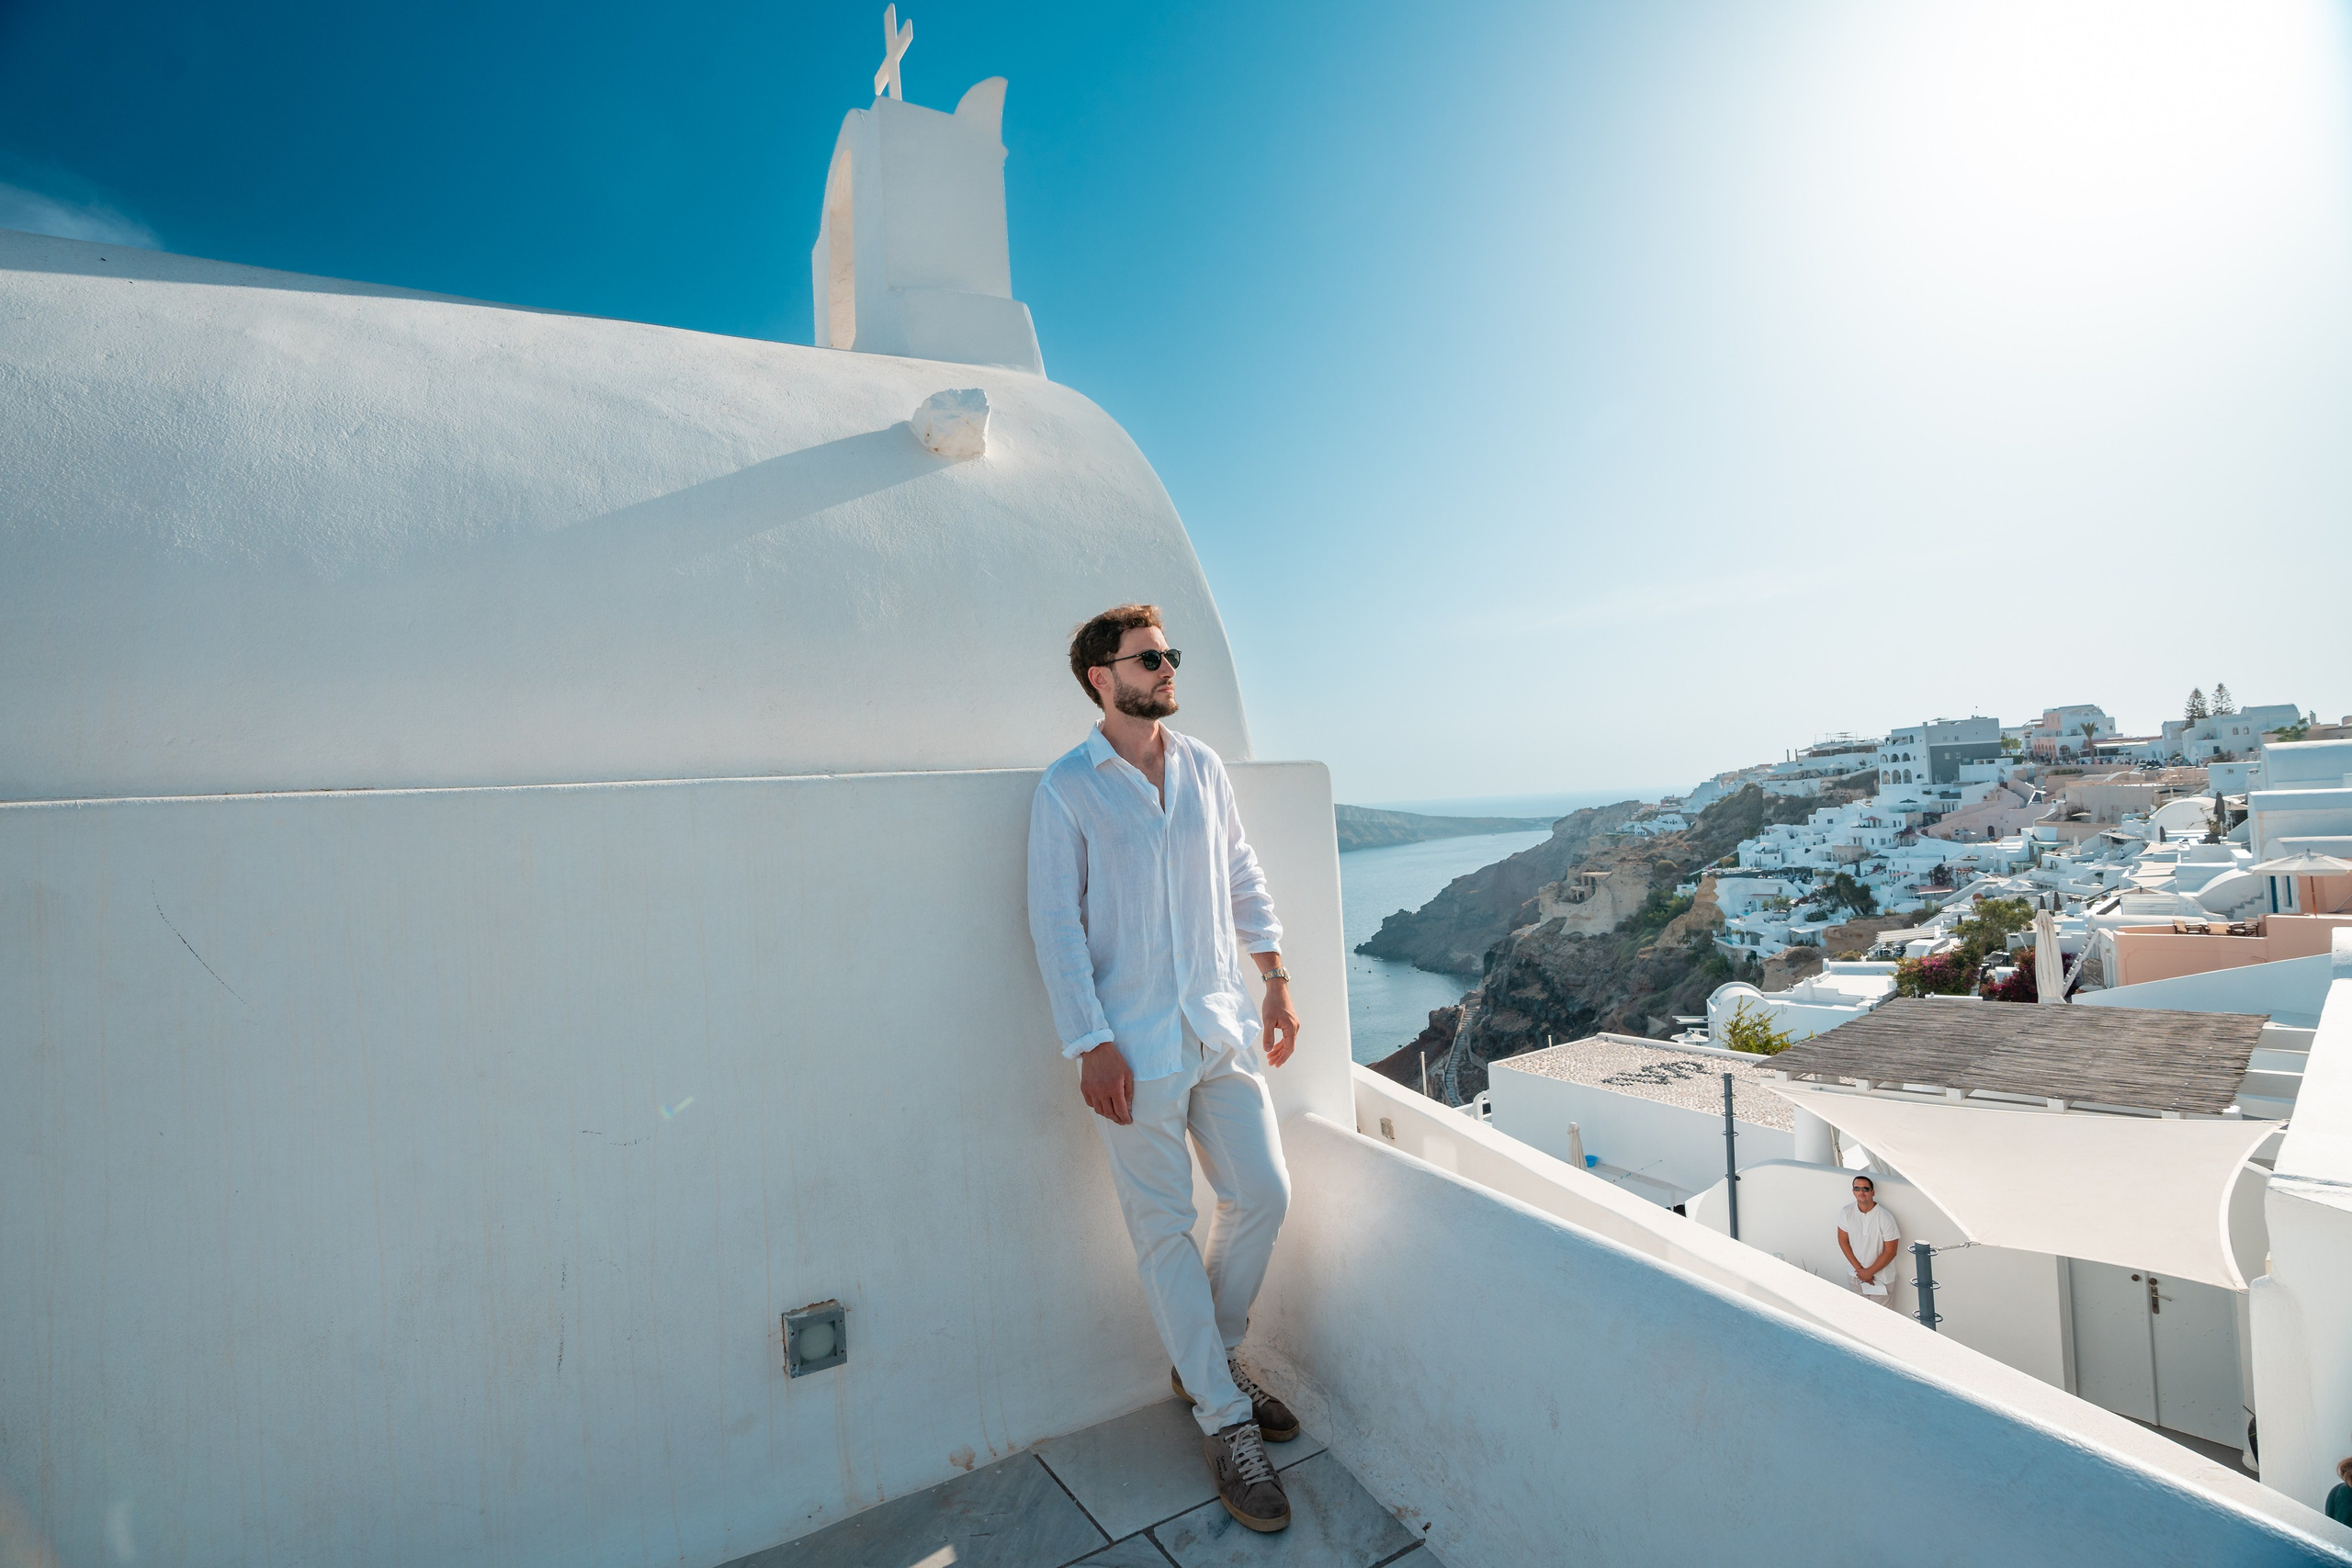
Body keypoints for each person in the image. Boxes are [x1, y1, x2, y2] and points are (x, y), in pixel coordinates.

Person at [1026, 604, 1303, 1534]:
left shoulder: (1202, 767)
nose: (1168, 667)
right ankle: (1225, 1420)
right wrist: (1089, 1042)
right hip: (1132, 1048)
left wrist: (1274, 976)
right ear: (1101, 678)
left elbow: (1240, 872)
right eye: (1149, 658)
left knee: (1262, 1194)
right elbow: (1056, 926)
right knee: (1163, 1231)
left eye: (1170, 654)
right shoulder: (1068, 788)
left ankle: (1207, 1361)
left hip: (1218, 1027)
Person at [1837, 1175, 1902, 1306]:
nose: (1861, 1192)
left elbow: (1891, 1251)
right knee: (1858, 1312)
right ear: (1853, 1191)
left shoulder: (1885, 1217)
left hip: (1882, 1278)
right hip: (1855, 1276)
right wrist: (1860, 1270)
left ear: (1873, 1192)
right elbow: (1843, 1242)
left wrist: (1869, 1272)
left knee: (1880, 1316)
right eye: (1857, 1188)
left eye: (1865, 1189)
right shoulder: (1846, 1212)